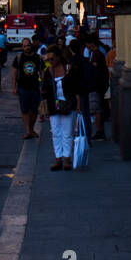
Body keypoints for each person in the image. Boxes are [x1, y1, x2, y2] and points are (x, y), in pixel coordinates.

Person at [41, 43, 83, 171]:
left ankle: (67, 158)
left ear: (59, 57)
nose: (50, 62)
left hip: (68, 104)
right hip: (54, 105)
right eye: (48, 60)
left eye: (52, 59)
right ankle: (58, 158)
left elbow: (77, 89)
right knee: (55, 132)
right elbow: (45, 91)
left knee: (67, 132)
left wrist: (78, 106)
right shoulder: (48, 71)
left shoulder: (69, 69)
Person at [12, 37, 44, 139]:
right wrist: (14, 87)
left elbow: (42, 73)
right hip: (23, 88)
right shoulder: (18, 58)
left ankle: (31, 129)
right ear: (22, 47)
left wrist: (42, 86)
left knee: (34, 111)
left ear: (31, 45)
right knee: (25, 110)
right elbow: (14, 73)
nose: (27, 48)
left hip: (35, 88)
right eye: (24, 46)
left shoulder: (38, 58)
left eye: (28, 45)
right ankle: (28, 131)